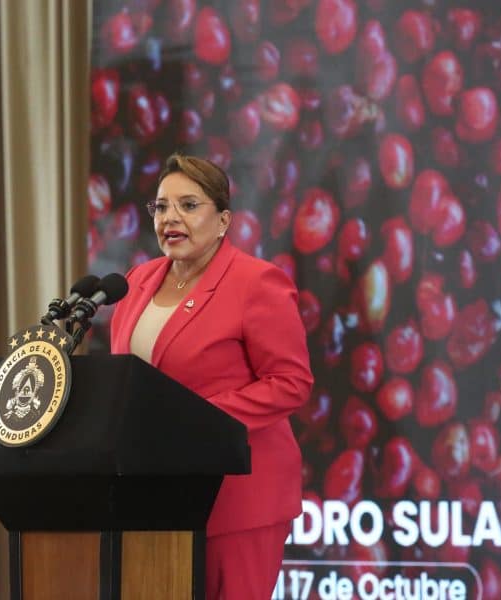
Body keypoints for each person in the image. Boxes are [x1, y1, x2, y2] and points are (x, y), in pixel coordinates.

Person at [109, 153, 314, 599]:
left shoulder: (257, 283)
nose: (170, 218)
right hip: (157, 497)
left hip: (237, 498)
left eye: (188, 205)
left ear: (223, 220)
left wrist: (197, 419)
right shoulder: (137, 281)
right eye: (161, 207)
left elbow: (291, 382)